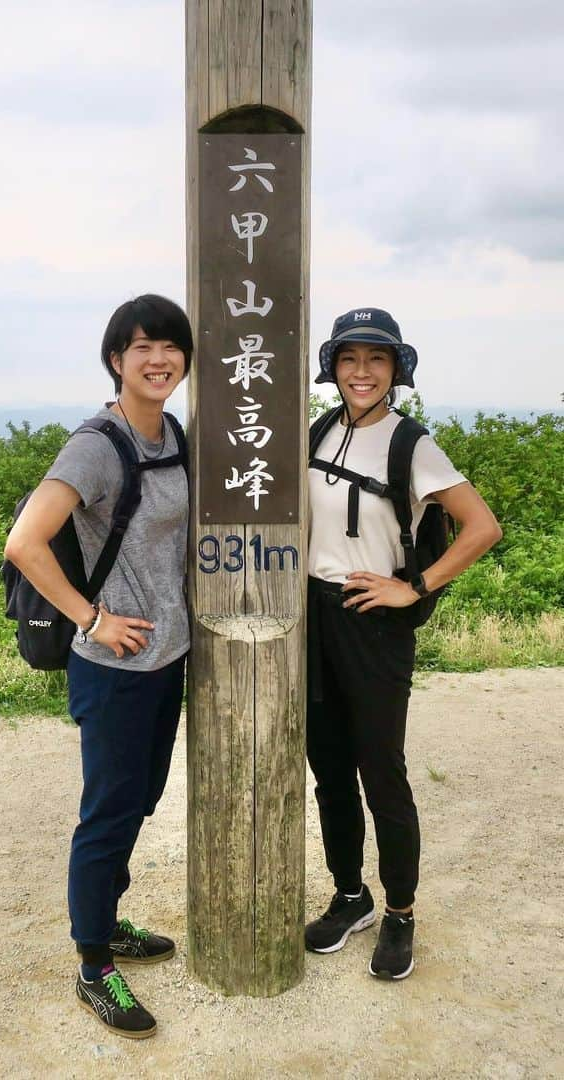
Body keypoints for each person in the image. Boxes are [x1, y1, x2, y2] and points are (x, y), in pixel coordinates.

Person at [3, 294, 192, 1039]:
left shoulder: (173, 432)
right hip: (112, 666)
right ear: (116, 359)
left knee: (140, 798)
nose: (157, 358)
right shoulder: (98, 444)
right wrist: (91, 616)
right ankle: (93, 966)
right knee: (109, 810)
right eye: (140, 346)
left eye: (170, 346)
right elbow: (27, 541)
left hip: (167, 657)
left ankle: (106, 922)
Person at [304, 307, 502, 980]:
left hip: (373, 621)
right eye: (350, 359)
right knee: (329, 767)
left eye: (376, 360)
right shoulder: (320, 430)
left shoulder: (410, 444)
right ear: (333, 366)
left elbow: (481, 527)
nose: (362, 372)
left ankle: (400, 913)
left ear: (396, 371)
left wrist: (415, 587)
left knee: (380, 771)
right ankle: (350, 895)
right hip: (313, 614)